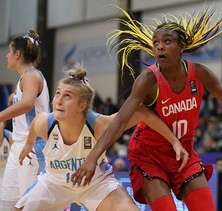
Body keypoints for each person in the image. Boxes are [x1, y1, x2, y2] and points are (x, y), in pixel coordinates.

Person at [71, 7, 222, 211]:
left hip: (183, 152)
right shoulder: (147, 80)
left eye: (167, 41)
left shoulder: (200, 73)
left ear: (181, 47)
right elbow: (119, 121)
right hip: (149, 155)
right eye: (156, 42)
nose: (159, 46)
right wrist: (92, 158)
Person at [14, 63, 189, 211]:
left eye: (67, 96)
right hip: (54, 184)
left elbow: (142, 111)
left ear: (82, 105)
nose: (58, 100)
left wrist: (174, 141)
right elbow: (35, 125)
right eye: (58, 93)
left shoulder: (98, 125)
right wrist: (29, 144)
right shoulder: (45, 123)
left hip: (96, 185)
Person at [0, 29, 50, 208]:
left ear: (18, 54)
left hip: (33, 147)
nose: (7, 56)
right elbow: (27, 100)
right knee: (8, 203)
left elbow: (28, 104)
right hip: (18, 146)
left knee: (27, 205)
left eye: (9, 51)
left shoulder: (32, 75)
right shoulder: (25, 79)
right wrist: (16, 96)